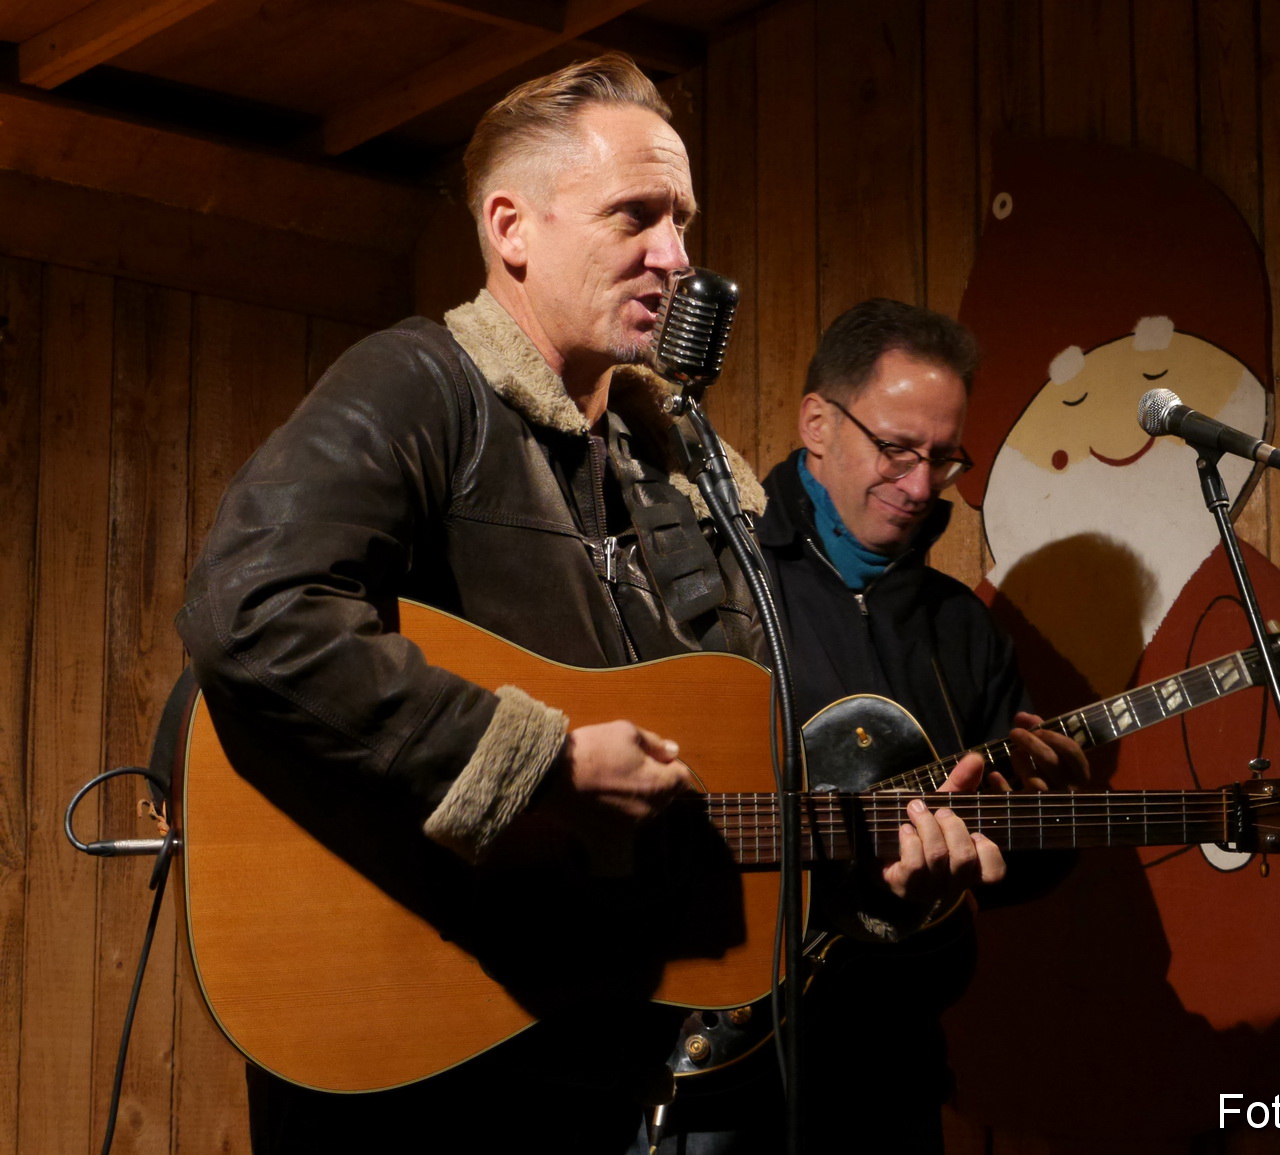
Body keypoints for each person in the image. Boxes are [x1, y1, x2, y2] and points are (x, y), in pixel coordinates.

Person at [176, 57, 994, 1155]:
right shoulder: (420, 388)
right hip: (416, 1064)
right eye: (636, 216)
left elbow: (726, 803)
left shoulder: (685, 466)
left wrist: (878, 881)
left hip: (612, 1070)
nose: (677, 256)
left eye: (684, 221)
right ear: (511, 227)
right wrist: (538, 765)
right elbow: (254, 609)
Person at [649, 299, 1089, 1154]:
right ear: (817, 421)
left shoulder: (960, 630)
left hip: (889, 1077)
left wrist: (1049, 818)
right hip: (709, 1081)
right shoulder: (710, 575)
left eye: (944, 459)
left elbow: (1007, 859)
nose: (921, 487)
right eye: (896, 448)